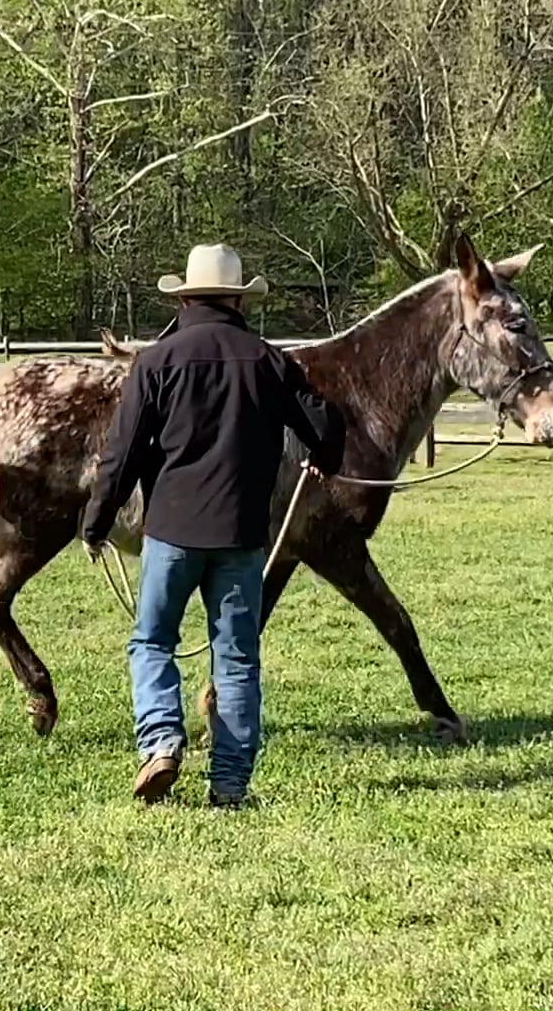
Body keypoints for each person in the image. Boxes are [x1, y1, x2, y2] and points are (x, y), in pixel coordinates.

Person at [82, 243, 345, 808]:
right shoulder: (269, 360)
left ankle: (162, 742)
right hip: (243, 535)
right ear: (237, 300)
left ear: (185, 297)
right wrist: (325, 455)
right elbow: (325, 421)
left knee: (152, 640)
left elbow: (122, 454)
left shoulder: (156, 361)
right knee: (237, 658)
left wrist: (97, 521)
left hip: (172, 532)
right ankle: (229, 783)